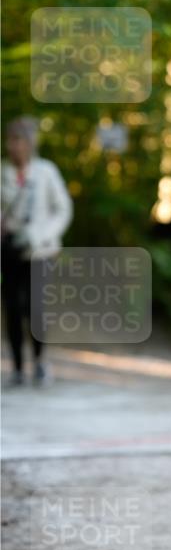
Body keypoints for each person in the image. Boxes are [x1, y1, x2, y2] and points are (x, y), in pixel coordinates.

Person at [1, 117, 73, 386]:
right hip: (9, 252)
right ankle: (18, 367)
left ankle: (40, 361)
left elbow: (63, 209)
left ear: (30, 143)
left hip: (41, 252)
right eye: (10, 140)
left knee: (36, 309)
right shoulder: (2, 172)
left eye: (18, 140)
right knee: (11, 308)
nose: (13, 146)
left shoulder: (46, 172)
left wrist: (42, 235)